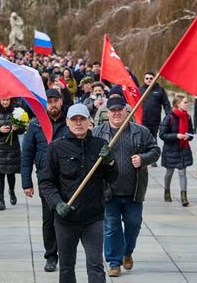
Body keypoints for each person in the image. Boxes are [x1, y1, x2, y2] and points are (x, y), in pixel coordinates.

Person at [39, 103, 117, 283]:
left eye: (82, 119)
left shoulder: (101, 145)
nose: (79, 123)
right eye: (75, 119)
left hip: (93, 218)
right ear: (67, 122)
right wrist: (56, 203)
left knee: (96, 266)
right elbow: (46, 181)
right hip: (66, 220)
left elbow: (112, 178)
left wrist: (110, 162)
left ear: (90, 121)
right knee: (66, 268)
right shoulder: (56, 148)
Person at [92, 96, 160, 277]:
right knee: (111, 227)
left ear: (125, 111)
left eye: (119, 110)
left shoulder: (140, 132)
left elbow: (155, 150)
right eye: (112, 110)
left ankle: (127, 252)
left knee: (133, 225)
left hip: (134, 191)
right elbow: (88, 155)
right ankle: (114, 263)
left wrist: (143, 159)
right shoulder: (98, 133)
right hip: (109, 191)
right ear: (107, 112)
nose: (116, 113)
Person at [21, 89, 69, 272]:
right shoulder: (36, 125)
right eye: (49, 101)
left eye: (55, 100)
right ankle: (51, 255)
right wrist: (27, 182)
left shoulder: (69, 122)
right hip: (46, 180)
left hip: (68, 178)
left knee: (66, 219)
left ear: (61, 101)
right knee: (49, 219)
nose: (53, 104)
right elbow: (27, 155)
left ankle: (66, 253)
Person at [0, 98, 24, 211]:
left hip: (12, 147)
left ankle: (11, 191)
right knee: (0, 174)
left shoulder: (17, 112)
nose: (5, 102)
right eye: (3, 100)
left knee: (11, 174)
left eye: (7, 100)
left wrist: (17, 128)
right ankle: (1, 199)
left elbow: (23, 129)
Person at [159, 94, 194, 207]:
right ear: (178, 104)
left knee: (182, 173)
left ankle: (184, 197)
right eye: (185, 102)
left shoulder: (188, 117)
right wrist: (176, 136)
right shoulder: (170, 117)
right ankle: (167, 191)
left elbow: (191, 133)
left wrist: (188, 136)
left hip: (183, 148)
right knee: (169, 173)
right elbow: (162, 134)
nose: (187, 104)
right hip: (171, 150)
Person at [139, 71, 171, 167]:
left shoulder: (160, 90)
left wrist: (169, 115)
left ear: (154, 79)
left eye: (151, 78)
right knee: (142, 139)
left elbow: (166, 104)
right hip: (142, 119)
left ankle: (153, 159)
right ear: (144, 80)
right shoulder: (140, 90)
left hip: (155, 120)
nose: (149, 80)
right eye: (147, 78)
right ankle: (143, 157)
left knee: (153, 139)